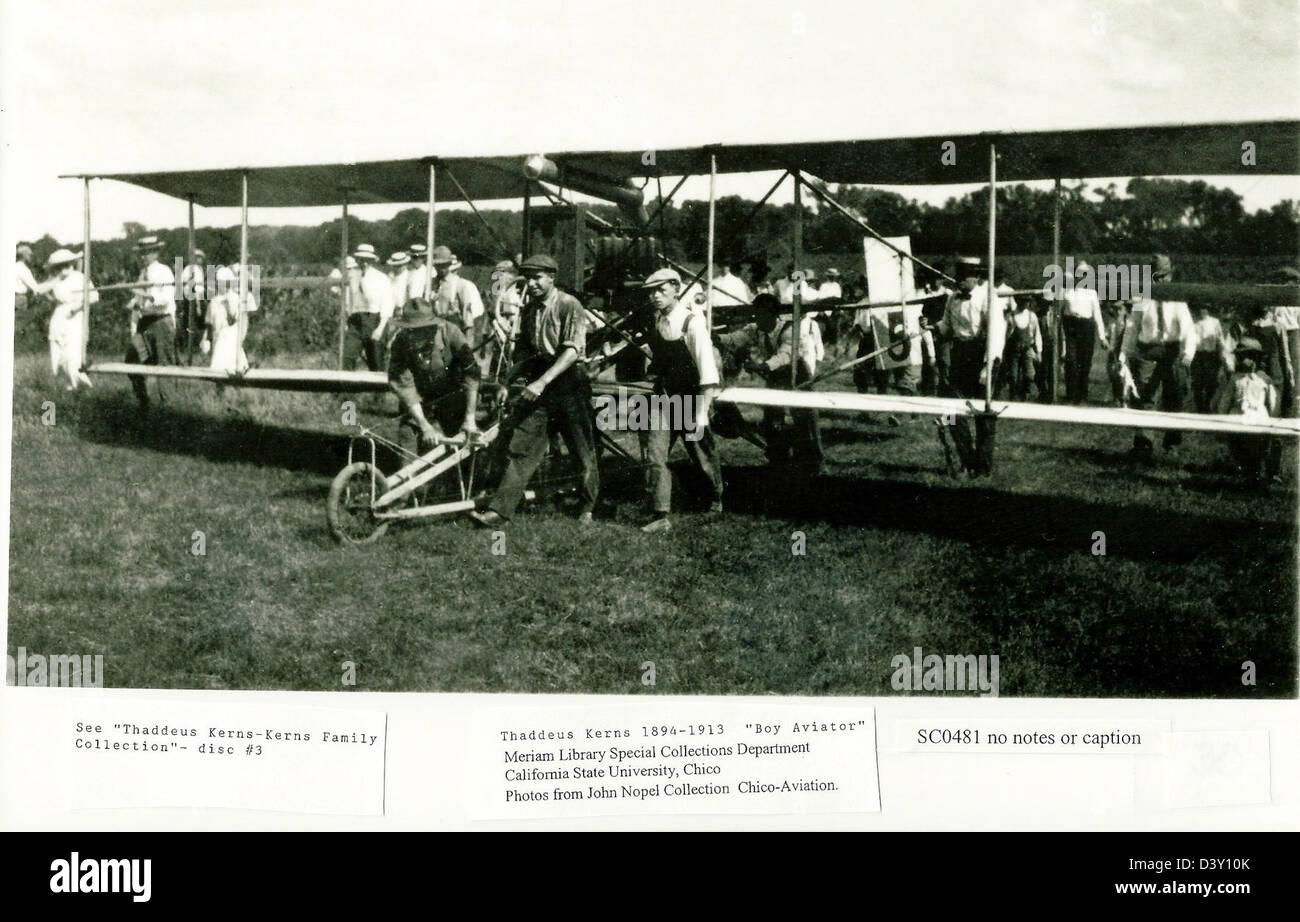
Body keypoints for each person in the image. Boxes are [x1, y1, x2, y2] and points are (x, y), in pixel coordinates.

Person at [468, 254, 598, 527]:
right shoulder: (529, 311)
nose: (532, 283)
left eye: (538, 277)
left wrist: (542, 382)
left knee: (581, 449)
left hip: (570, 383)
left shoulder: (568, 305)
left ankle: (587, 507)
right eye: (528, 277)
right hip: (542, 384)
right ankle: (499, 512)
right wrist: (508, 382)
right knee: (522, 446)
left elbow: (572, 351)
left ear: (552, 277)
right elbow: (525, 354)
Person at [637, 268, 724, 533]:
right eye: (651, 291)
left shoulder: (692, 322)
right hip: (666, 396)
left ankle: (716, 501)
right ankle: (660, 513)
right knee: (655, 452)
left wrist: (701, 412)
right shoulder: (657, 321)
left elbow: (708, 371)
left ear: (676, 289)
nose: (655, 296)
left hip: (693, 397)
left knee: (702, 454)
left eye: (661, 290)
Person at [718, 293, 824, 475]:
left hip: (798, 375)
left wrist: (763, 366)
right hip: (776, 376)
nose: (758, 319)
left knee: (805, 419)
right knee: (772, 417)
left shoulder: (790, 330)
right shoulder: (755, 328)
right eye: (756, 315)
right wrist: (716, 338)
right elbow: (735, 338)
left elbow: (785, 355)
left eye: (762, 315)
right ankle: (778, 459)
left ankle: (814, 463)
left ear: (772, 314)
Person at [387, 297, 480, 455]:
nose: (418, 335)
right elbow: (404, 387)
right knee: (407, 436)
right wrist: (424, 425)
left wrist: (470, 418)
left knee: (465, 446)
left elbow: (471, 374)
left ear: (432, 326)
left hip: (453, 395)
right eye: (412, 331)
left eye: (423, 329)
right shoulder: (400, 343)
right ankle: (407, 478)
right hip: (419, 397)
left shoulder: (451, 333)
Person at [1120, 283, 1195, 461]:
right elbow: (1132, 326)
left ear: (1169, 278)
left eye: (1163, 277)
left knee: (1174, 395)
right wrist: (1124, 353)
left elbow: (1188, 328)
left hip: (1172, 351)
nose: (1159, 281)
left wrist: (1188, 353)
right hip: (1148, 350)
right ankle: (1144, 444)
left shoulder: (1177, 300)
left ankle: (1172, 442)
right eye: (1156, 276)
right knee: (1145, 395)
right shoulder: (1142, 297)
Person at [1214, 337, 1281, 482]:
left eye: (1245, 356)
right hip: (1238, 416)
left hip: (1258, 418)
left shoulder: (1264, 380)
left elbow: (1273, 401)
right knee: (1239, 447)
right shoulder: (1235, 379)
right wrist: (1221, 419)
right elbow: (1225, 400)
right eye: (1239, 357)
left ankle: (1253, 474)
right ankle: (1244, 471)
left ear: (1255, 358)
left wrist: (1273, 420)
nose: (1241, 360)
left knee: (1256, 448)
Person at [125, 235, 178, 413]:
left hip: (161, 321)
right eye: (141, 253)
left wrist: (146, 296)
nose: (143, 256)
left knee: (165, 367)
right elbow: (139, 300)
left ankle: (168, 409)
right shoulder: (142, 274)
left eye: (147, 252)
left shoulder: (164, 271)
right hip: (144, 322)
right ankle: (143, 403)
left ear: (155, 253)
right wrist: (135, 302)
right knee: (132, 358)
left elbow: (165, 300)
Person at [44, 248, 97, 390]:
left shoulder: (80, 277)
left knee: (72, 352)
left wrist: (77, 307)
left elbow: (93, 296)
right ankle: (69, 387)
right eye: (60, 265)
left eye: (67, 264)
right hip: (59, 315)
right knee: (58, 352)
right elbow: (45, 292)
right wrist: (52, 299)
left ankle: (82, 386)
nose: (64, 267)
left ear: (72, 263)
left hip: (75, 317)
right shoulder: (55, 279)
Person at [1059, 260, 1109, 404]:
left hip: (1086, 327)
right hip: (1071, 327)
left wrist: (1102, 337)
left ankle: (1082, 394)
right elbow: (1060, 312)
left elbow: (1097, 315)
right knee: (1071, 360)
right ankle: (1071, 393)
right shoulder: (1067, 292)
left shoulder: (1092, 293)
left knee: (1085, 362)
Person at [343, 244, 394, 371]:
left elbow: (387, 304)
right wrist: (348, 320)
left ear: (371, 261)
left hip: (374, 320)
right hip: (356, 321)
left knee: (376, 360)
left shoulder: (381, 278)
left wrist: (380, 328)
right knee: (348, 355)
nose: (363, 263)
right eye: (360, 259)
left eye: (366, 260)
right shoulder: (354, 277)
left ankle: (378, 390)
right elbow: (351, 300)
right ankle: (345, 388)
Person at [430, 245, 485, 341]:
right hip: (434, 333)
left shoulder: (460, 285)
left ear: (449, 264)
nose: (441, 268)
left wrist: (467, 343)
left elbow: (467, 317)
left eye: (444, 265)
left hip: (454, 333)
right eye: (438, 265)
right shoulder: (431, 284)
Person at [1189, 302, 1232, 413]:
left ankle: (1208, 404)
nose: (1202, 310)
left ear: (1208, 310)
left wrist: (1223, 354)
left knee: (1211, 382)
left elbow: (1220, 340)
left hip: (1211, 355)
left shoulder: (1214, 322)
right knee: (1197, 383)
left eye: (1205, 308)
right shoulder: (1194, 323)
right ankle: (1199, 408)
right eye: (1201, 308)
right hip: (1197, 356)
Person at [204, 266, 249, 374]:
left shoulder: (236, 298)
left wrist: (227, 303)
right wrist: (207, 339)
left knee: (232, 365)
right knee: (218, 369)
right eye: (219, 283)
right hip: (217, 335)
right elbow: (209, 322)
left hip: (230, 337)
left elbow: (235, 321)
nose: (222, 286)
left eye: (225, 283)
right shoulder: (214, 301)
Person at [997, 295, 1042, 401]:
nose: (1026, 303)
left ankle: (1025, 394)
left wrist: (1038, 352)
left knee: (1029, 375)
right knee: (1013, 375)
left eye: (1027, 301)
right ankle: (1013, 395)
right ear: (1018, 302)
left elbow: (1037, 334)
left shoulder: (1032, 316)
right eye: (1024, 301)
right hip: (1013, 350)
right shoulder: (1011, 316)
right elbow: (1004, 334)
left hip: (1027, 349)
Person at [177, 248, 207, 360]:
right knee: (196, 324)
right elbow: (197, 289)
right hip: (193, 299)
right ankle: (194, 348)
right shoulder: (195, 270)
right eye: (198, 257)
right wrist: (199, 305)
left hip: (187, 299)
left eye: (201, 258)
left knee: (189, 324)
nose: (200, 260)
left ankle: (190, 347)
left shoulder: (187, 269)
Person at [15, 243, 49, 313]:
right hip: (19, 300)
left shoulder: (14, 266)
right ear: (24, 255)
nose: (31, 257)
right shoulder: (22, 268)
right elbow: (35, 288)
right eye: (30, 255)